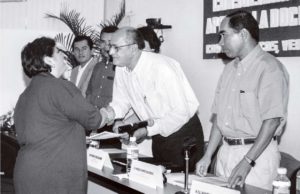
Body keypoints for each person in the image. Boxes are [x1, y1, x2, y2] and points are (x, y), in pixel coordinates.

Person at [195, 10, 289, 190]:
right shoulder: (229, 69)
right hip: (225, 153)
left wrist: (247, 161)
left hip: (256, 157)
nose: (220, 43)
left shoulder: (270, 68)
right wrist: (208, 155)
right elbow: (219, 119)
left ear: (243, 34)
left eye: (224, 35)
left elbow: (271, 121)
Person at [13, 37, 108, 194]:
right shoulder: (59, 87)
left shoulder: (25, 94)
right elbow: (94, 120)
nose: (64, 55)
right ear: (49, 60)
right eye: (58, 52)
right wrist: (109, 112)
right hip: (53, 177)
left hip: (28, 175)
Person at [104, 27, 204, 171]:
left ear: (133, 48)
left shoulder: (162, 67)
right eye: (110, 47)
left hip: (184, 136)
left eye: (116, 48)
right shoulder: (121, 67)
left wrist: (146, 131)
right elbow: (122, 102)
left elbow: (181, 112)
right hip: (158, 134)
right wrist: (110, 114)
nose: (111, 52)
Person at [85, 26, 121, 148]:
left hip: (111, 126)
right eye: (103, 42)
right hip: (92, 122)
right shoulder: (97, 67)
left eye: (110, 43)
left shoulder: (121, 68)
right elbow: (89, 93)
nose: (106, 46)